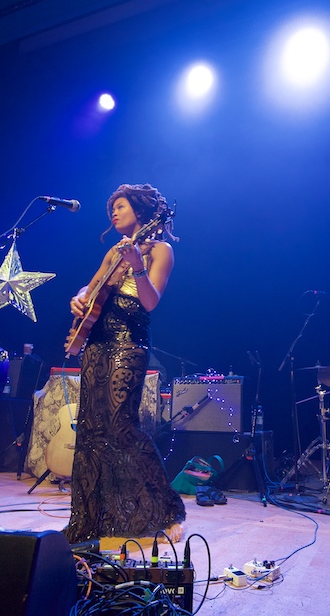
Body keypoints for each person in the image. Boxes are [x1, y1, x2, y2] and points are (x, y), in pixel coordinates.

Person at [63, 184, 186, 544]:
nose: (113, 213)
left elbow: (150, 302)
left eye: (120, 206)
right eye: (110, 209)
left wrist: (137, 269)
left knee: (120, 425)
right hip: (96, 344)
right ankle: (94, 516)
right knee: (91, 429)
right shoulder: (114, 251)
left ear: (141, 210)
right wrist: (77, 297)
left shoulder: (160, 250)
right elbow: (89, 290)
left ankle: (166, 509)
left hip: (129, 343)